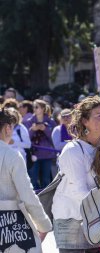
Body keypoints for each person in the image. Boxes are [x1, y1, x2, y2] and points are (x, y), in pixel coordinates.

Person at [52, 96, 100, 253]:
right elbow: (79, 192)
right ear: (85, 121)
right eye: (99, 115)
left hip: (98, 220)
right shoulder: (73, 150)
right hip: (72, 221)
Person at [0, 107, 52, 253]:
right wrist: (43, 225)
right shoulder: (12, 156)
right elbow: (27, 195)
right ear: (8, 128)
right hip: (10, 226)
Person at [23, 99, 57, 189]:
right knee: (33, 180)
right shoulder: (28, 122)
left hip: (47, 155)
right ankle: (34, 201)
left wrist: (45, 129)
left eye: (36, 107)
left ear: (42, 109)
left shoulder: (51, 122)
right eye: (33, 107)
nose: (34, 109)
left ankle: (47, 202)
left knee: (46, 180)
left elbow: (53, 139)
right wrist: (32, 130)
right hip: (33, 155)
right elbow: (26, 139)